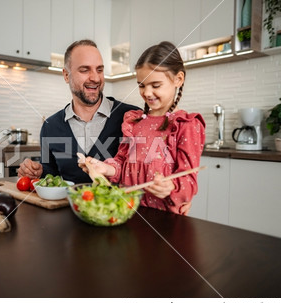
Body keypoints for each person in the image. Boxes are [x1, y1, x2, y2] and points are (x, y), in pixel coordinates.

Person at [81, 41, 205, 215]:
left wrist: (171, 187)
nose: (147, 92)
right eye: (141, 85)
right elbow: (122, 163)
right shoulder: (134, 121)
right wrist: (104, 168)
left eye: (155, 85)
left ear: (178, 79)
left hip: (165, 219)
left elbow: (189, 181)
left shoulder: (186, 125)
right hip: (127, 212)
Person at [17, 39, 138, 184]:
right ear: (66, 75)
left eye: (99, 70)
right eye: (84, 70)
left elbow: (143, 173)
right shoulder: (51, 126)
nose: (95, 78)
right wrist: (38, 172)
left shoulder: (132, 117)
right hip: (69, 206)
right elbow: (51, 175)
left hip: (120, 206)